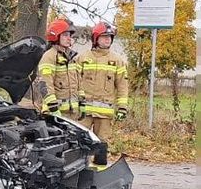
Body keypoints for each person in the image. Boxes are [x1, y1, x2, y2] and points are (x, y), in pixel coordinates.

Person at [77, 22, 129, 157]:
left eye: (110, 37)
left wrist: (122, 107)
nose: (108, 39)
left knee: (101, 145)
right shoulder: (82, 58)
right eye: (104, 36)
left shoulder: (117, 61)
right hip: (84, 112)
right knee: (79, 142)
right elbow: (74, 82)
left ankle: (98, 173)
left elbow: (123, 86)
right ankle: (80, 173)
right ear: (96, 38)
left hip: (104, 115)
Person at [31, 18, 80, 117]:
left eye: (70, 35)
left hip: (71, 113)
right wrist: (53, 108)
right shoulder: (49, 56)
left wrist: (81, 102)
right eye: (65, 35)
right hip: (55, 113)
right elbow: (45, 84)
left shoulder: (71, 57)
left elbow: (78, 82)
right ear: (56, 36)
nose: (69, 38)